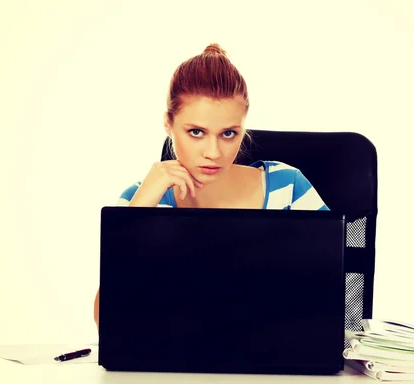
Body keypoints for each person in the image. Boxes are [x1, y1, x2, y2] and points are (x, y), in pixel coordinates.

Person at [93, 43, 329, 329]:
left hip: (275, 359)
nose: (214, 153)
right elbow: (106, 320)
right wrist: (139, 211)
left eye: (229, 133)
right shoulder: (143, 200)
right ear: (168, 123)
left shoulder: (288, 189)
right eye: (196, 132)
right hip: (173, 365)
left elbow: (330, 295)